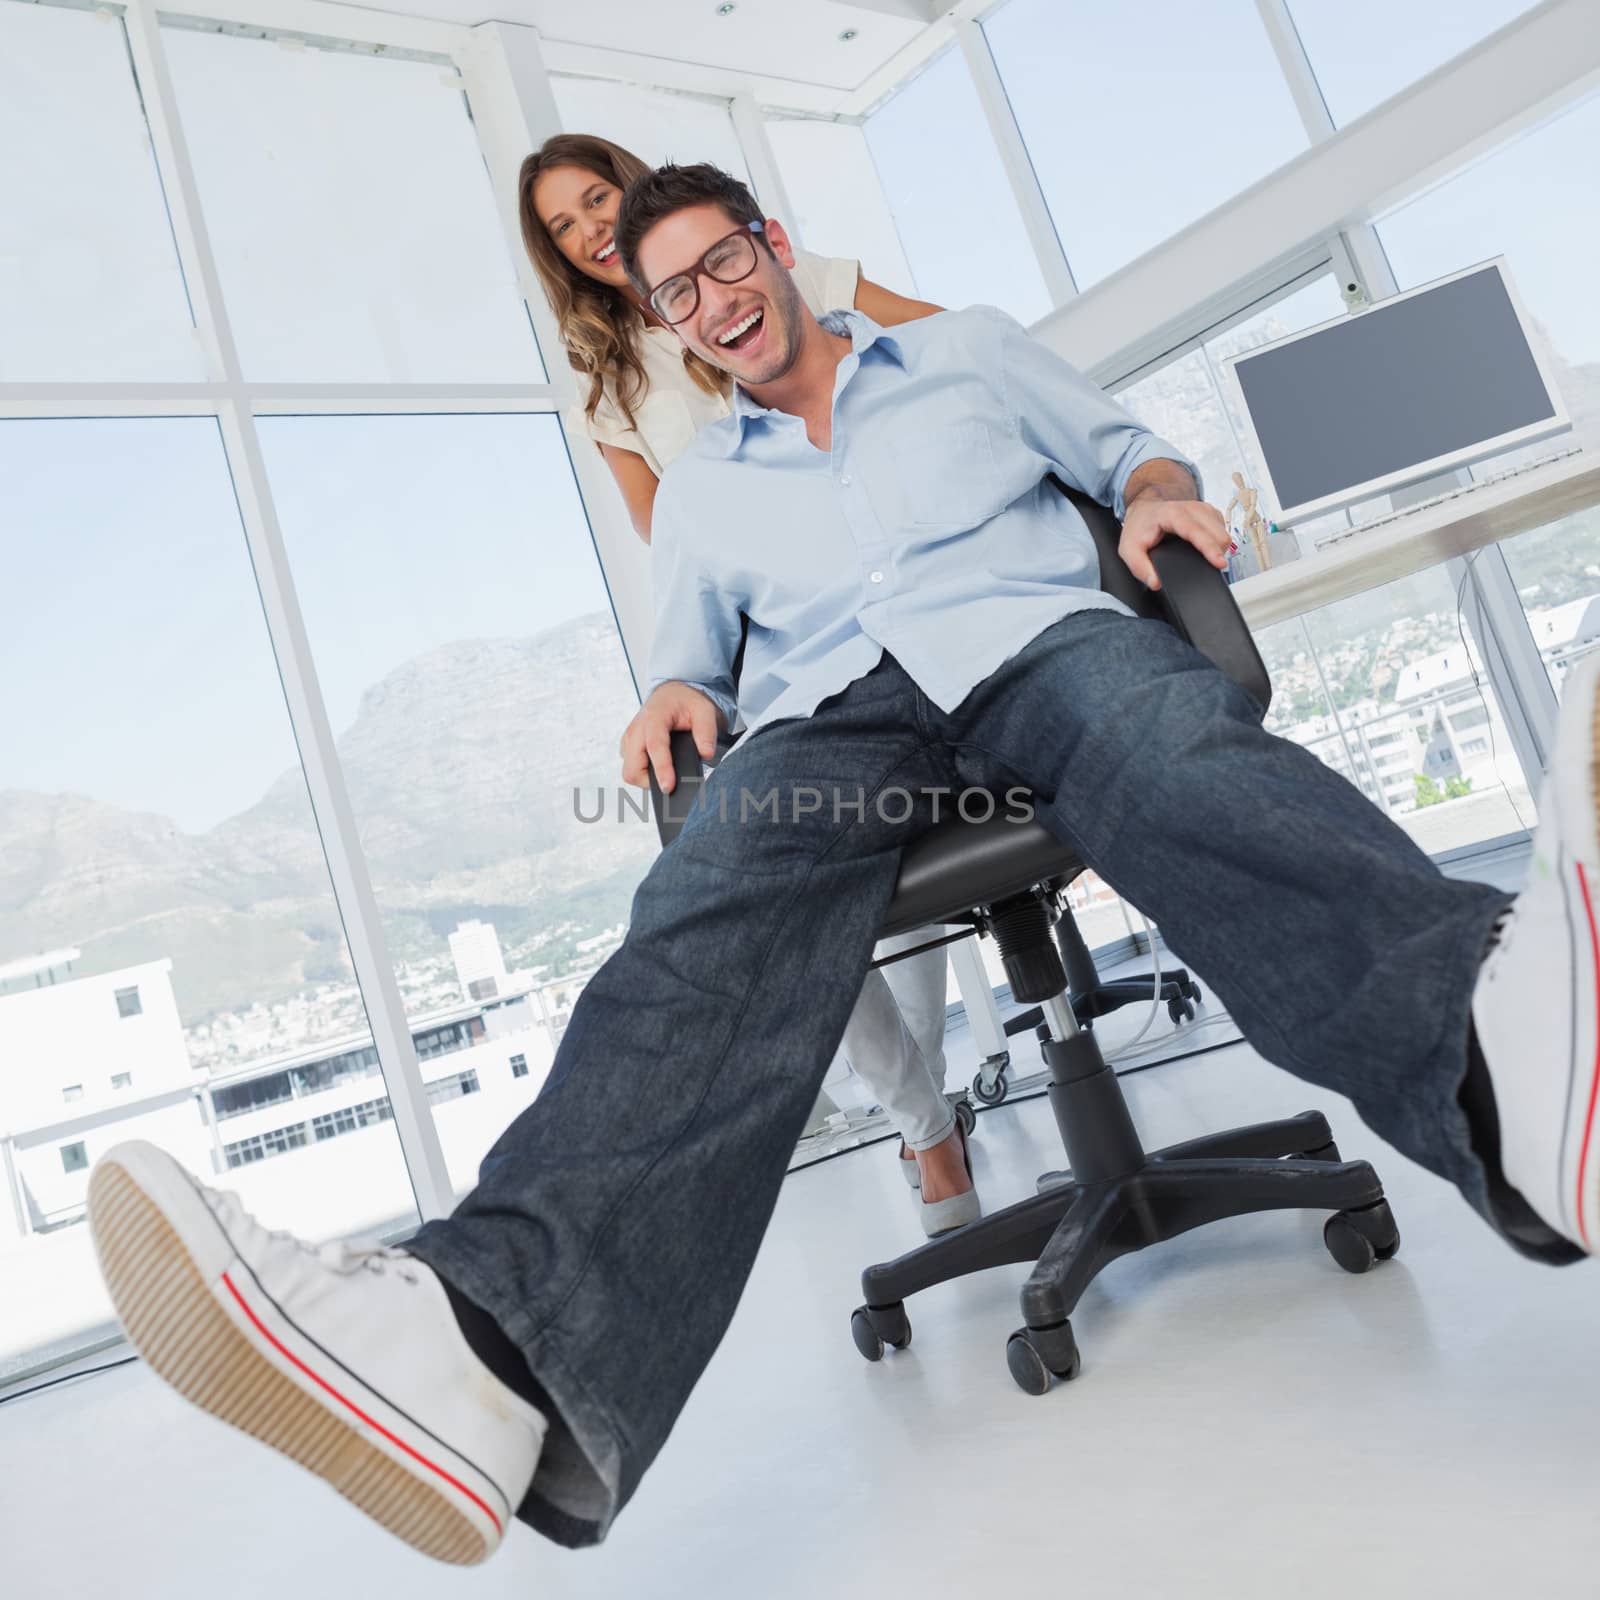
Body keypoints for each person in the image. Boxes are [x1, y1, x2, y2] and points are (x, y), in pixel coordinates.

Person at [86, 163, 1593, 1574]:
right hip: (840, 723)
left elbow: (1128, 449)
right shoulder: (706, 492)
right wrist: (674, 691)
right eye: (675, 292)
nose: (711, 300)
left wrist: (1149, 494)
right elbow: (690, 662)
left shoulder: (970, 355)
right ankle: (490, 1347)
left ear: (775, 250)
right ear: (666, 321)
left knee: (1176, 749)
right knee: (700, 905)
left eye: (724, 262)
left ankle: (1498, 1072)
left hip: (1032, 648)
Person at [520, 133, 974, 1231]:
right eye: (564, 227)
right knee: (788, 880)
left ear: (634, 188)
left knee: (893, 879)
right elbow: (663, 533)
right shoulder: (609, 388)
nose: (590, 230)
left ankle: (936, 1107)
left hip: (905, 594)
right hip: (773, 641)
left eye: (596, 199)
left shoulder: (785, 278)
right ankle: (925, 1122)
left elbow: (949, 345)